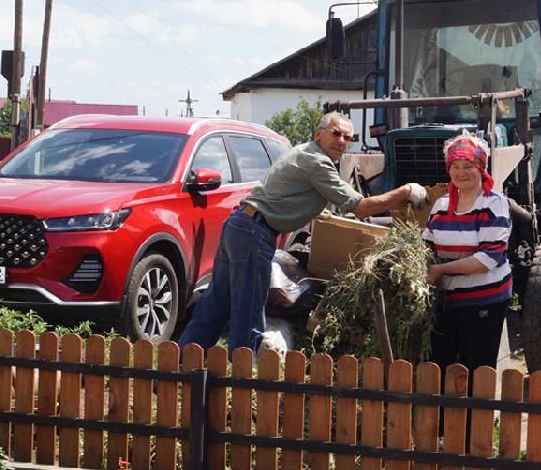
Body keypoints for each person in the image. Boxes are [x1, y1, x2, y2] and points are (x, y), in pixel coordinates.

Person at [179, 111, 429, 354]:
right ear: (318, 134)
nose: (342, 142)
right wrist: (405, 191)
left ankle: (183, 359)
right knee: (249, 307)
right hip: (254, 232)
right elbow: (361, 208)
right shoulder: (317, 162)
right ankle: (244, 375)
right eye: (336, 134)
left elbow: (294, 196)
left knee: (218, 302)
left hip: (241, 225)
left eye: (348, 138)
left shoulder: (305, 152)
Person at [422, 132, 512, 380]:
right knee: (441, 366)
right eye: (455, 166)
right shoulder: (441, 204)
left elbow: (487, 259)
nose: (461, 172)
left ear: (481, 167)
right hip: (446, 300)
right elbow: (427, 244)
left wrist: (439, 271)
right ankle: (445, 419)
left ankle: (475, 419)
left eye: (468, 166)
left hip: (484, 300)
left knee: (476, 370)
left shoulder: (494, 204)